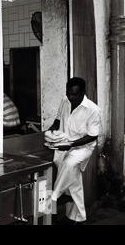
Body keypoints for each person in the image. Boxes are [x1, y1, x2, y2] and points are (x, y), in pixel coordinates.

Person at [48, 77, 101, 224]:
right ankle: (77, 217)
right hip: (64, 144)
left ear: (83, 92)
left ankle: (54, 196)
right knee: (73, 178)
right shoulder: (65, 100)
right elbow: (59, 118)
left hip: (82, 148)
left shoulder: (93, 110)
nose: (71, 97)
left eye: (75, 94)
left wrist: (71, 145)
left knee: (69, 164)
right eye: (69, 93)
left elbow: (92, 136)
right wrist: (53, 128)